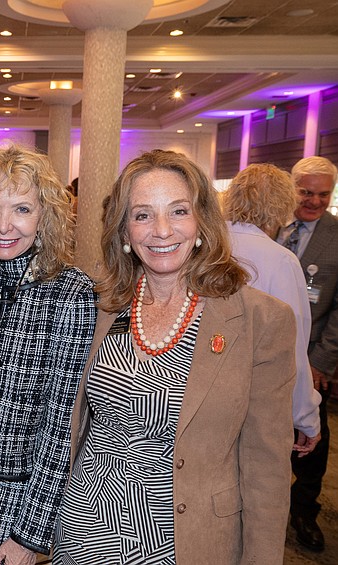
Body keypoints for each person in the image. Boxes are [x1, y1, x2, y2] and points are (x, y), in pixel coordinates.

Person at [56, 150, 296, 564]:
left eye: (178, 211)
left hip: (184, 544)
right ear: (124, 231)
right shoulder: (100, 305)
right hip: (81, 535)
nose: (162, 230)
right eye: (143, 215)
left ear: (202, 221)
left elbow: (267, 469)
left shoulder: (261, 320)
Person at [0, 144, 95, 564]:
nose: (4, 224)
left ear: (46, 216)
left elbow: (62, 428)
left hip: (15, 505)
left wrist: (29, 537)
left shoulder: (70, 293)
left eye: (22, 209)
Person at [222, 163, 321, 457]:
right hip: (256, 397)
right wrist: (306, 417)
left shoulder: (205, 245)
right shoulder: (281, 260)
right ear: (283, 204)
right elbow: (292, 346)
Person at [276, 155, 338, 552]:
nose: (315, 201)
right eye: (306, 192)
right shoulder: (272, 226)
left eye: (323, 194)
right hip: (266, 354)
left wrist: (320, 362)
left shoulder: (336, 234)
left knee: (313, 439)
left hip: (312, 358)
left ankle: (304, 512)